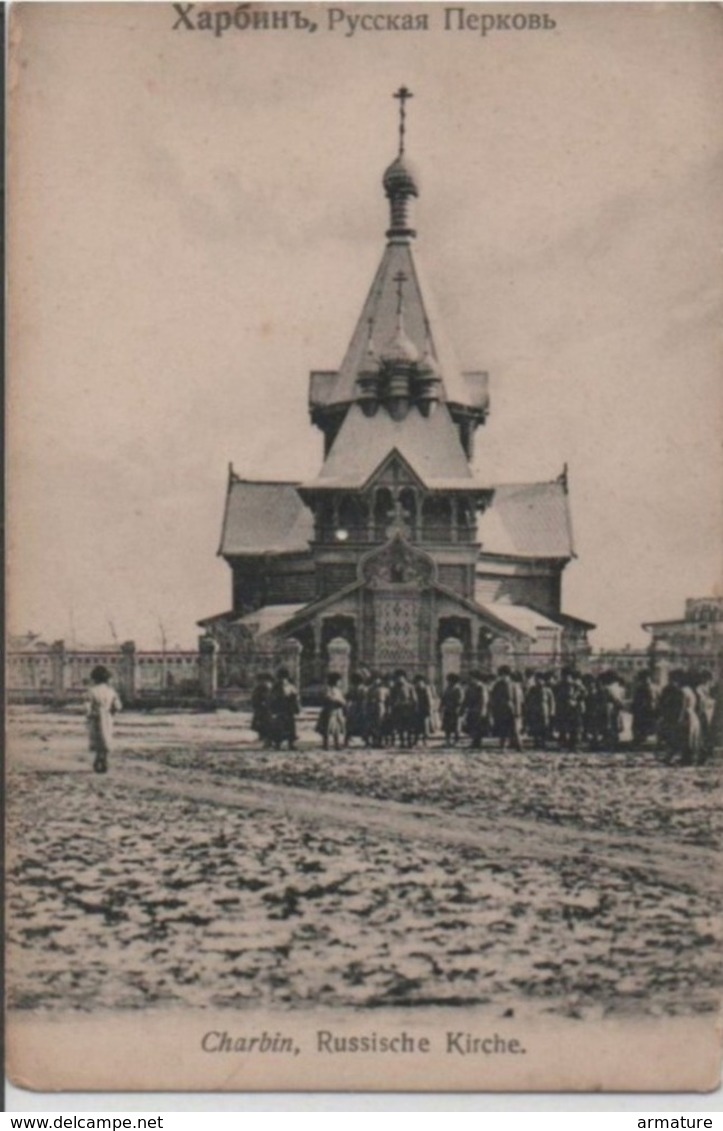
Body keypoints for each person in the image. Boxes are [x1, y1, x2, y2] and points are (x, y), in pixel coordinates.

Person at [86, 665, 122, 774]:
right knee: (106, 737)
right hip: (107, 717)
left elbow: (87, 706)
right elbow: (118, 706)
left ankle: (98, 759)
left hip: (96, 717)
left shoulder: (91, 691)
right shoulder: (111, 691)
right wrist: (112, 713)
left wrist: (90, 715)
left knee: (97, 738)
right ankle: (104, 759)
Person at [269, 667, 300, 750]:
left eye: (284, 678)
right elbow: (272, 698)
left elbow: (296, 697)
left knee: (290, 726)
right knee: (279, 727)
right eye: (281, 678)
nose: (283, 680)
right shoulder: (276, 687)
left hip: (288, 709)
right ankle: (278, 744)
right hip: (280, 709)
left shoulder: (290, 686)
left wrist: (295, 706)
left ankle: (291, 743)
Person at [524, 671, 555, 750]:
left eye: (540, 679)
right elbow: (528, 700)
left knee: (544, 727)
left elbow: (551, 701)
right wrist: (528, 709)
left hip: (544, 710)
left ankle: (543, 742)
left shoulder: (548, 690)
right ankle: (536, 742)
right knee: (535, 727)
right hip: (534, 710)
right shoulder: (532, 690)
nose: (538, 681)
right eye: (536, 679)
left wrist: (552, 711)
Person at [317, 672, 347, 750]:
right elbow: (327, 697)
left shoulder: (338, 690)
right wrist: (336, 701)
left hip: (338, 711)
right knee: (327, 728)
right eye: (338, 681)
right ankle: (326, 744)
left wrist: (342, 703)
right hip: (329, 710)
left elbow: (342, 699)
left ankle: (337, 743)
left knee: (337, 729)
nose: (340, 683)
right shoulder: (328, 689)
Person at [631, 671, 658, 749]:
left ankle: (642, 739)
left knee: (646, 726)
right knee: (640, 726)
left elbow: (657, 698)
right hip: (642, 710)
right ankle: (640, 739)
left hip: (647, 710)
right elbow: (637, 700)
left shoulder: (652, 688)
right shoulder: (640, 688)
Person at [462, 670, 488, 750]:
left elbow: (484, 699)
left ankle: (477, 742)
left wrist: (483, 710)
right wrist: (463, 708)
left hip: (478, 709)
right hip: (471, 709)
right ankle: (475, 741)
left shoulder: (480, 687)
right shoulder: (470, 687)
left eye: (471, 677)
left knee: (478, 726)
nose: (470, 678)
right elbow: (466, 699)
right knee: (472, 726)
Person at [250, 671, 274, 747]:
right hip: (264, 708)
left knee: (264, 724)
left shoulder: (262, 687)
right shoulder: (268, 686)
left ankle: (266, 740)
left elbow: (259, 697)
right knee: (264, 724)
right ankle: (264, 738)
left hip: (263, 708)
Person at [440, 672, 464, 745]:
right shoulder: (447, 688)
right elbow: (443, 698)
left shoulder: (458, 689)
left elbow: (460, 700)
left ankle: (456, 740)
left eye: (449, 680)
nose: (448, 682)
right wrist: (441, 706)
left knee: (456, 726)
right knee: (447, 727)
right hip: (448, 709)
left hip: (455, 710)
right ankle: (447, 740)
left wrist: (456, 707)